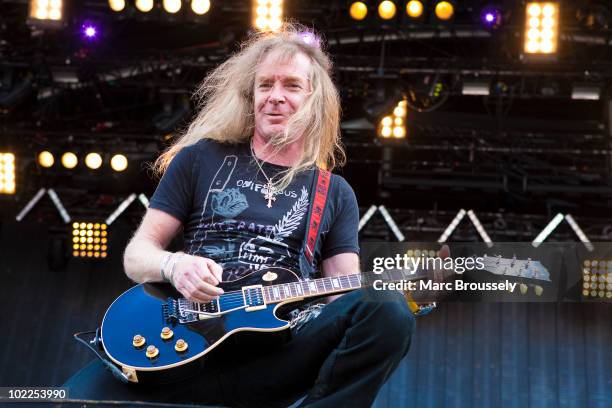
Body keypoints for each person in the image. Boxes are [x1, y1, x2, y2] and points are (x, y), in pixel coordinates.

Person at [64, 24, 421, 407]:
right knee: (67, 400)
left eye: (291, 86)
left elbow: (342, 297)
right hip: (186, 340)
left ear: (314, 98)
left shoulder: (334, 192)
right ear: (251, 96)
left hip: (273, 355)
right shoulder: (200, 159)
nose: (275, 97)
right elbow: (137, 256)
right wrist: (175, 265)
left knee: (387, 309)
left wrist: (388, 288)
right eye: (265, 85)